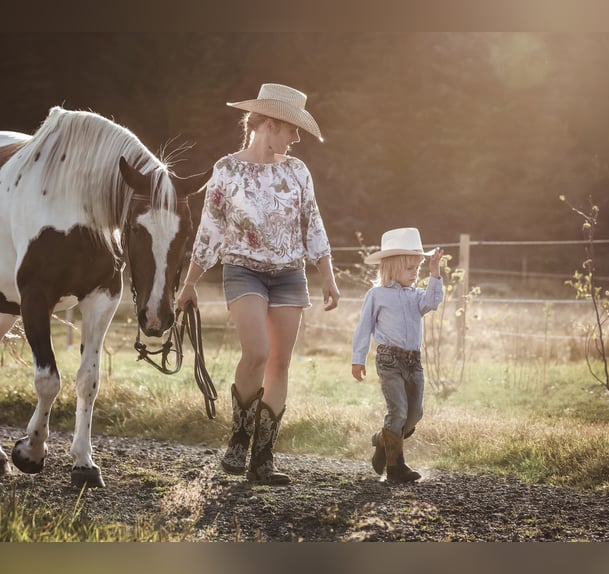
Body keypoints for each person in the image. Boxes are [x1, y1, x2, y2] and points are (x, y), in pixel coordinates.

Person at [176, 83, 340, 485]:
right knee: (257, 353)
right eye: (291, 129)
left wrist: (328, 276)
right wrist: (189, 283)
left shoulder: (297, 171)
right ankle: (240, 436)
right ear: (268, 124)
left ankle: (262, 458)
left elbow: (312, 224)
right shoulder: (226, 170)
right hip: (243, 270)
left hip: (289, 273)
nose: (296, 138)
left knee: (280, 363)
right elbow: (210, 230)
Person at [351, 227, 444, 482]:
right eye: (410, 269)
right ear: (392, 268)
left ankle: (383, 439)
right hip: (389, 360)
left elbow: (434, 302)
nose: (416, 274)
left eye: (418, 268)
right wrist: (358, 359)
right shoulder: (377, 295)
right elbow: (364, 327)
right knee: (399, 411)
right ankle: (395, 467)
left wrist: (435, 274)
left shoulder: (417, 296)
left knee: (414, 415)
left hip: (414, 362)